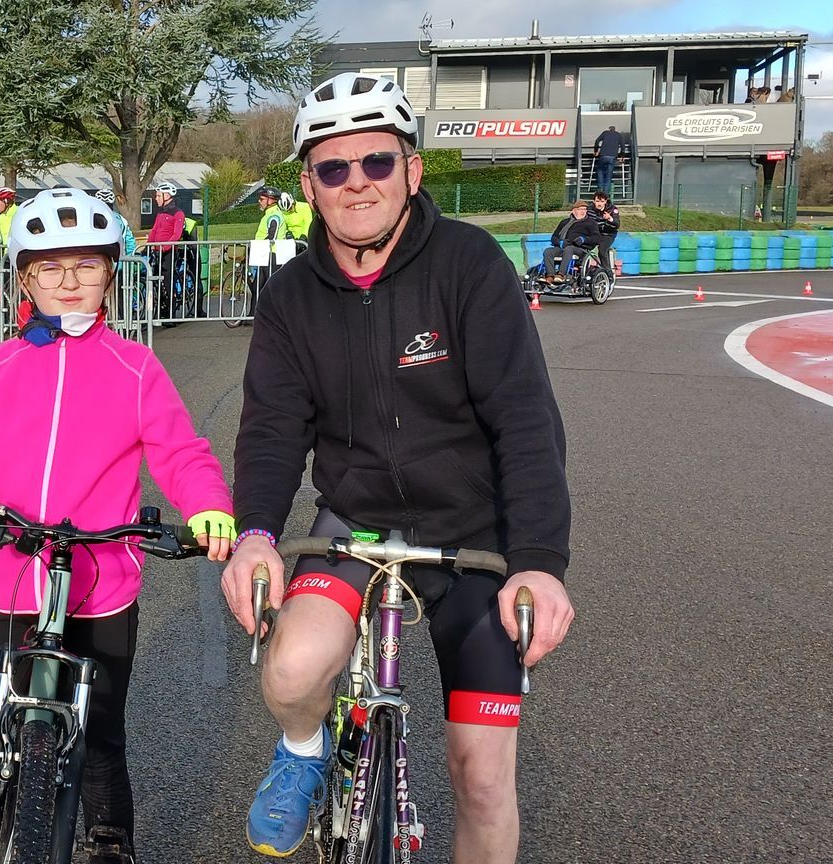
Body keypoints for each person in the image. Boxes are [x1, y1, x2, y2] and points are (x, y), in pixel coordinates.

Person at [223, 71, 573, 861]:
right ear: (309, 186)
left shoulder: (470, 264)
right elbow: (272, 429)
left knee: (482, 779)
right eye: (333, 168)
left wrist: (539, 563)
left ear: (412, 170)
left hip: (471, 531)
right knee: (291, 672)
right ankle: (305, 751)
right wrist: (256, 536)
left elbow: (525, 421)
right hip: (355, 520)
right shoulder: (289, 296)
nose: (357, 182)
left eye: (377, 161)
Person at [0, 188, 236, 864]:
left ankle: (110, 839)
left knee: (100, 735)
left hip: (100, 583)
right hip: (8, 579)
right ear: (25, 280)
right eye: (50, 268)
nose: (69, 281)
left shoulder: (135, 367)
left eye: (86, 265)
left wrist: (207, 504)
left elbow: (180, 452)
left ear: (110, 274)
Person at [145, 181, 200, 319]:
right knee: (156, 278)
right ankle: (161, 309)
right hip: (157, 251)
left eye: (158, 196)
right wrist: (148, 246)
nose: (156, 199)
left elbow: (176, 234)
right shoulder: (160, 213)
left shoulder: (178, 213)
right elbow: (154, 230)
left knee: (167, 280)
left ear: (167, 196)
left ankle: (171, 313)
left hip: (169, 252)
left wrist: (165, 247)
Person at [540, 200, 600, 284]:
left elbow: (597, 238)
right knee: (548, 251)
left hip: (580, 249)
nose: (583, 211)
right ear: (574, 210)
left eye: (585, 209)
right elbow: (554, 237)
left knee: (569, 249)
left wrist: (584, 239)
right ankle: (550, 275)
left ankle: (561, 275)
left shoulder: (590, 223)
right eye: (580, 209)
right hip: (563, 247)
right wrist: (559, 242)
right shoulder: (565, 222)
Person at [589, 189, 621, 274]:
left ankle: (607, 272)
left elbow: (617, 224)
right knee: (583, 247)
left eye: (602, 201)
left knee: (602, 250)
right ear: (593, 201)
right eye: (597, 201)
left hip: (608, 234)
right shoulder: (589, 210)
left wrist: (610, 218)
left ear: (606, 201)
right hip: (595, 233)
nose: (599, 204)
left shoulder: (612, 209)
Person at [592, 124, 625, 194]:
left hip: (603, 155)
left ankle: (600, 190)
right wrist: (622, 156)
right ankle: (605, 195)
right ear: (615, 129)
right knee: (608, 176)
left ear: (609, 129)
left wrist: (596, 151)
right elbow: (623, 146)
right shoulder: (618, 135)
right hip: (613, 156)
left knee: (600, 171)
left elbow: (597, 141)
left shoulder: (605, 133)